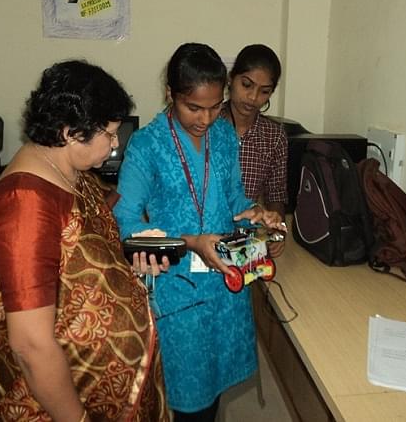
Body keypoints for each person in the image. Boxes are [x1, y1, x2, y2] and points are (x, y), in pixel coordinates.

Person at [0, 60, 169, 421]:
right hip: (60, 402)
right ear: (69, 132)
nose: (115, 144)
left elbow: (79, 255)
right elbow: (31, 345)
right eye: (109, 134)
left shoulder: (66, 170)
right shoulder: (24, 207)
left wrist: (131, 259)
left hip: (101, 381)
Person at [113, 43, 286, 421]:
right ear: (170, 94)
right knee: (187, 399)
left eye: (214, 106)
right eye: (193, 107)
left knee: (214, 392)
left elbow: (233, 197)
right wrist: (190, 242)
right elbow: (125, 223)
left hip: (225, 284)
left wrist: (256, 215)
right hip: (178, 292)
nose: (205, 119)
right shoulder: (147, 145)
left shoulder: (223, 136)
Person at [223, 44, 288, 257]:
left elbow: (276, 194)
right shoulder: (207, 124)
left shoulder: (274, 136)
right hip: (204, 233)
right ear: (231, 79)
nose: (253, 97)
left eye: (264, 91)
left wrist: (276, 229)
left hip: (247, 239)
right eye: (246, 85)